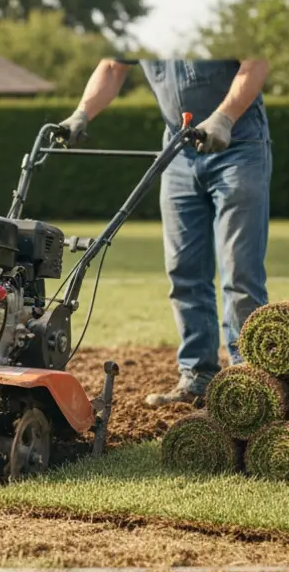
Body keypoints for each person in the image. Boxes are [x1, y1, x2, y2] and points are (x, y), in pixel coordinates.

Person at [59, 58, 272, 407]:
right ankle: (198, 377)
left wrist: (225, 116)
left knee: (240, 271)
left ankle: (249, 377)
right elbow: (113, 67)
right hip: (179, 153)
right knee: (184, 270)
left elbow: (255, 63)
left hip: (238, 147)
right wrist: (81, 113)